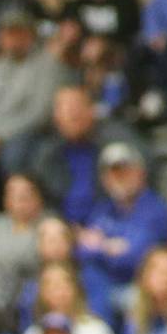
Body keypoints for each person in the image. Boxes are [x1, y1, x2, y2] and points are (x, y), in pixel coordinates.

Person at [0, 11, 66, 187]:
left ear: (29, 34)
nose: (10, 38)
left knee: (14, 154)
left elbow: (39, 113)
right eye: (5, 33)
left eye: (16, 32)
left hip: (24, 135)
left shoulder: (47, 65)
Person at [73, 143, 167, 319]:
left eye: (125, 171)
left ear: (140, 173)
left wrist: (99, 246)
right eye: (112, 172)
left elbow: (135, 258)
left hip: (139, 286)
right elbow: (81, 251)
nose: (118, 178)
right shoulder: (103, 210)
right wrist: (109, 248)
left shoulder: (156, 210)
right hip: (105, 285)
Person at [26, 88, 144, 229]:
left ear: (92, 110)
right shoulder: (46, 155)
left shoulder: (115, 141)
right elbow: (44, 200)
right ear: (56, 117)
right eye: (67, 110)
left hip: (112, 224)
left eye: (78, 107)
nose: (74, 114)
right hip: (62, 230)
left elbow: (139, 174)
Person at [0, 174, 47, 295]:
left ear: (39, 197)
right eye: (13, 194)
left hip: (34, 289)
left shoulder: (48, 225)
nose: (19, 200)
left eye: (25, 195)